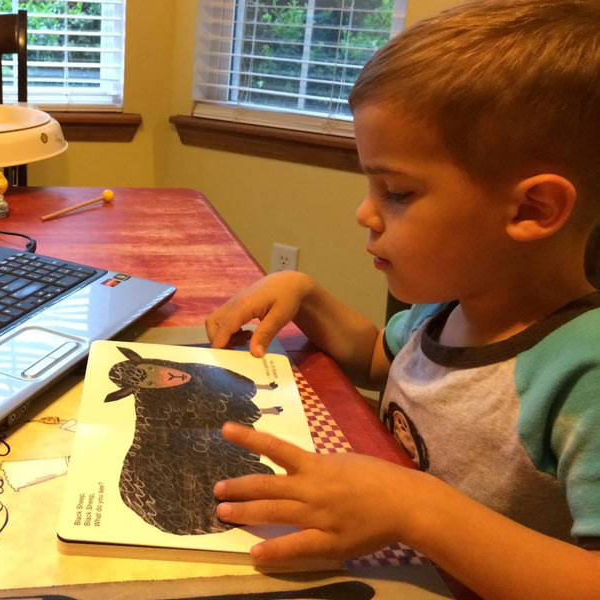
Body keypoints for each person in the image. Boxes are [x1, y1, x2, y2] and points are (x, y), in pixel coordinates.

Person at [204, 1, 600, 597]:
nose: (365, 212)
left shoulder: (582, 375)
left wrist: (419, 510)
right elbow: (382, 360)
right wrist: (306, 296)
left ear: (531, 210)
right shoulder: (454, 309)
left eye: (397, 192)